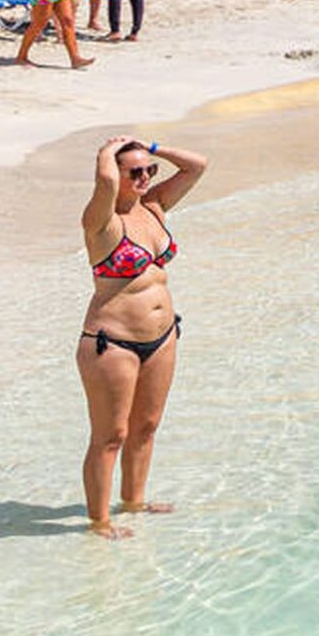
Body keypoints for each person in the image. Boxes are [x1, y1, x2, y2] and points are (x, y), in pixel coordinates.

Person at [79, 134, 206, 537]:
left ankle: (133, 501)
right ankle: (99, 522)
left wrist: (151, 149)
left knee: (147, 426)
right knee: (110, 436)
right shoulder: (100, 221)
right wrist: (105, 154)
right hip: (112, 342)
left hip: (163, 335)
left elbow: (197, 165)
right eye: (134, 172)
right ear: (114, 176)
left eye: (149, 171)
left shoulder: (153, 207)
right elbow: (103, 185)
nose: (146, 178)